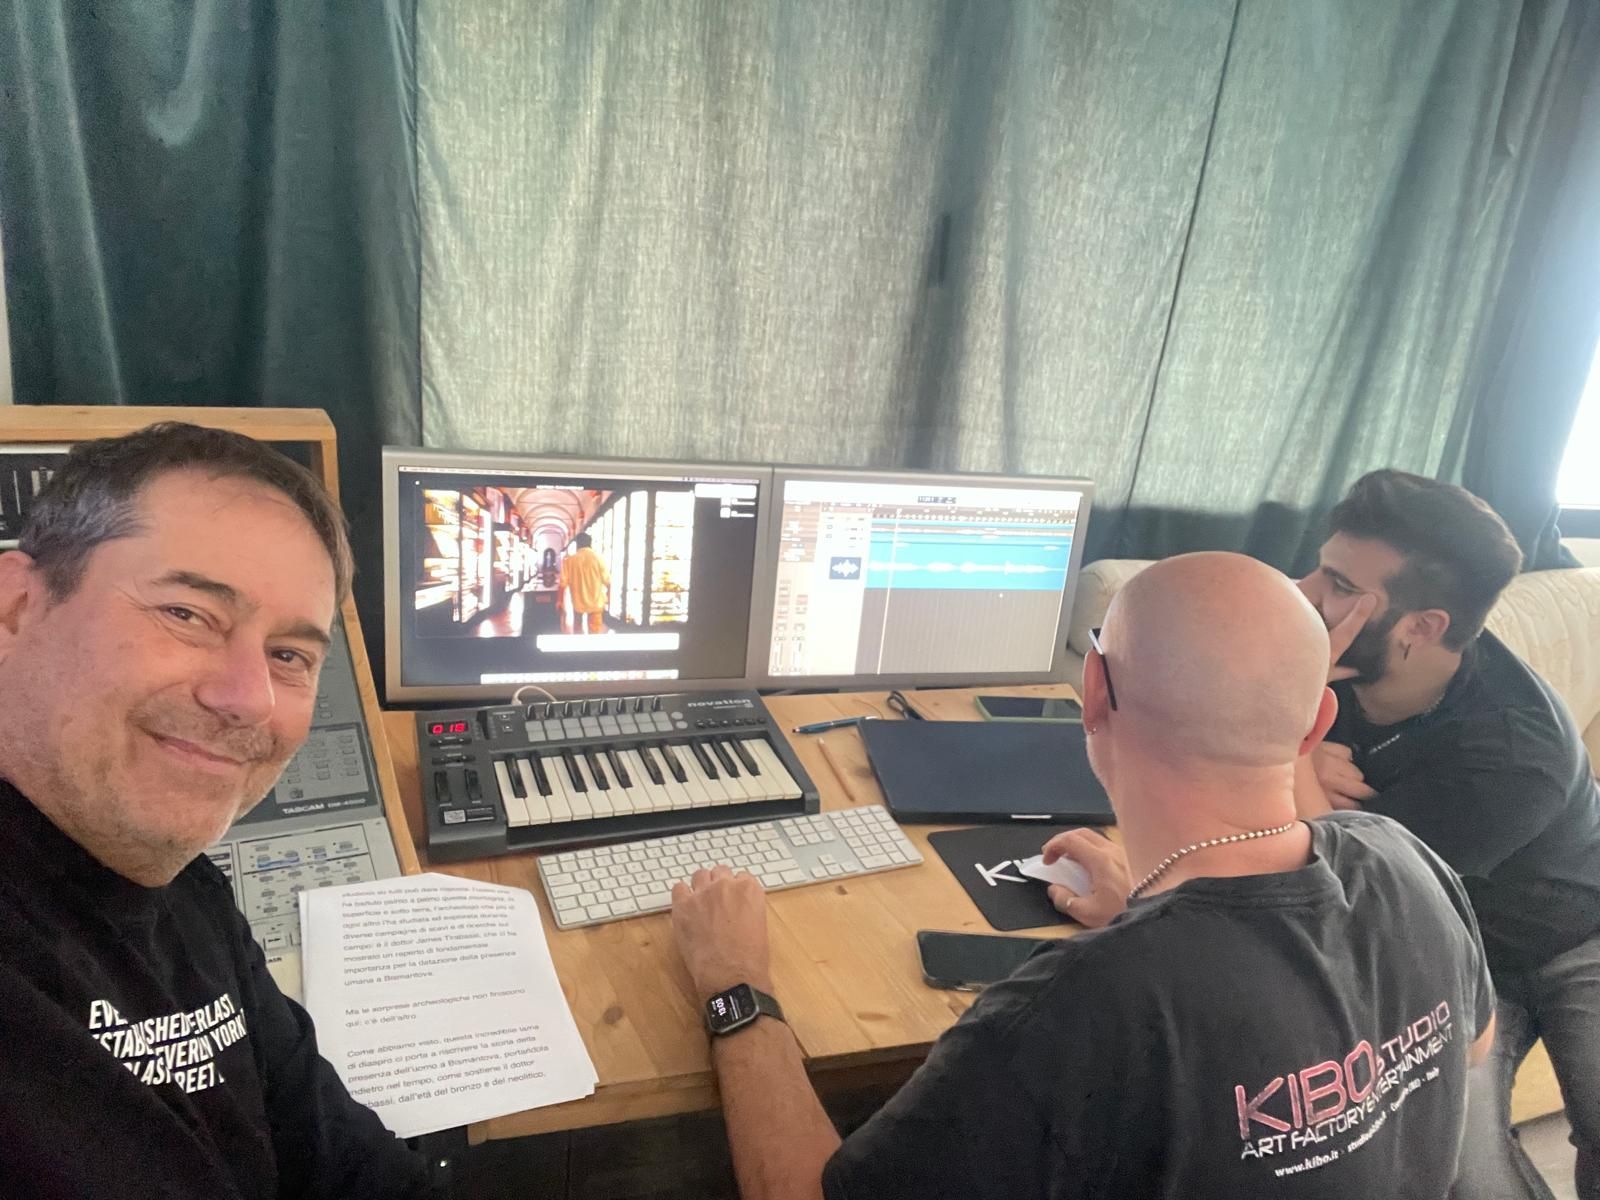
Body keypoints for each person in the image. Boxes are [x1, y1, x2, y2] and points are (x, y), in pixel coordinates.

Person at [672, 551, 1495, 1200]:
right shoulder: (1400, 855)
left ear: (1092, 692)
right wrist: (1150, 912)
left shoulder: (1073, 1009)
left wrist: (734, 985)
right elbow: (1472, 1040)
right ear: (1316, 724)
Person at [0, 424, 441, 1198]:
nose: (248, 700)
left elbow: (353, 1168)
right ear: (15, 610)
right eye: (187, 614)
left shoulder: (182, 887)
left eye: (289, 656)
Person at [1295, 470, 1600, 1200]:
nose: (1305, 592)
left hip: (1576, 936)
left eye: (1338, 583)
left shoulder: (1515, 753)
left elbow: (1347, 892)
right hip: (1447, 951)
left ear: (1422, 626)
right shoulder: (1313, 648)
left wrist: (1294, 742)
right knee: (1460, 1180)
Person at [559, 531, 610, 634]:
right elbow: (608, 582)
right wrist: (608, 599)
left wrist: (559, 601)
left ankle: (579, 647)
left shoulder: (570, 561)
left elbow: (562, 584)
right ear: (590, 544)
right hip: (596, 603)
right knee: (595, 632)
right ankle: (592, 648)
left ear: (577, 544)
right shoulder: (599, 559)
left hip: (578, 602)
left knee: (577, 629)